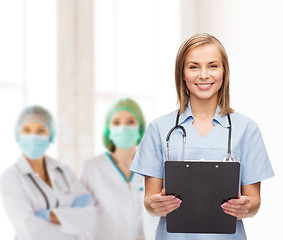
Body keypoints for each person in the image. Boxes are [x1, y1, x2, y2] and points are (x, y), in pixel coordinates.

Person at [130, 33, 274, 240]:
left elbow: (254, 202)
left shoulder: (247, 129)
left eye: (213, 66)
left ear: (224, 72)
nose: (204, 75)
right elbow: (149, 203)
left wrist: (246, 207)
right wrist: (157, 205)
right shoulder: (159, 129)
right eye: (194, 66)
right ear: (182, 73)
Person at [0, 105, 96, 240]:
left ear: (50, 135)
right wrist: (70, 222)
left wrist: (47, 216)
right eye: (26, 130)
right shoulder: (12, 177)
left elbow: (88, 218)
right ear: (18, 135)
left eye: (41, 131)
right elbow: (30, 231)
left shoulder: (63, 171)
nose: (33, 136)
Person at [80, 98, 146, 240]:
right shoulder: (92, 168)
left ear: (140, 127)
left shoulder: (151, 168)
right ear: (108, 129)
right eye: (116, 122)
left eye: (130, 122)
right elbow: (82, 219)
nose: (123, 127)